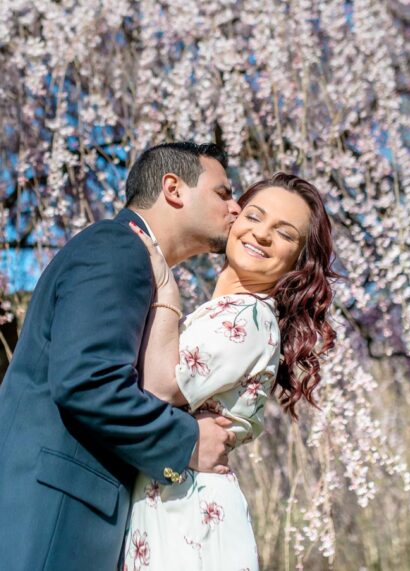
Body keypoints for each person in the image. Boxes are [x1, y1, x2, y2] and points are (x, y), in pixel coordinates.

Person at [0, 142, 244, 571]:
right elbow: (88, 382)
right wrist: (187, 441)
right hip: (36, 532)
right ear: (173, 188)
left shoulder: (132, 259)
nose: (237, 208)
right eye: (224, 192)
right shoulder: (118, 249)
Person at [121, 172, 339, 570]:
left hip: (189, 513)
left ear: (298, 261)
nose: (262, 235)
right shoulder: (224, 311)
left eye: (285, 234)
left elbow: (157, 386)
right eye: (254, 216)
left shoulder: (250, 316)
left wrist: (166, 290)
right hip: (170, 501)